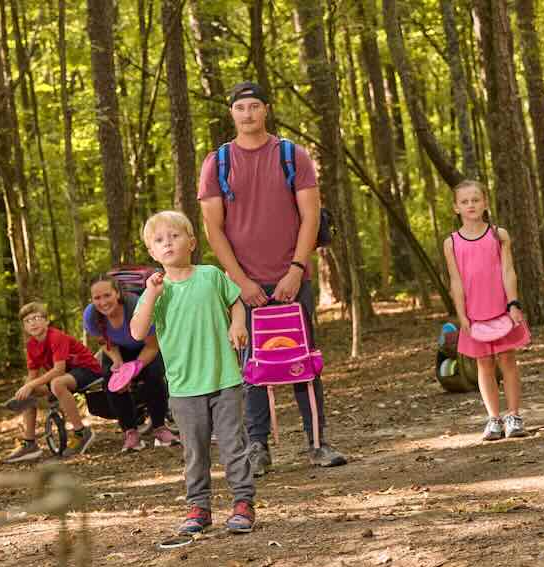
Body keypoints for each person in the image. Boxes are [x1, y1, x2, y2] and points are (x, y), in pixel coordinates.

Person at [198, 80, 347, 474]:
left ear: (266, 109)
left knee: (303, 362)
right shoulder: (217, 163)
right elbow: (214, 229)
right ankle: (258, 449)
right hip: (244, 285)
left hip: (292, 279)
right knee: (252, 368)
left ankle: (317, 443)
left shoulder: (291, 155)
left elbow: (311, 215)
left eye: (254, 107)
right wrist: (240, 283)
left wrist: (296, 269)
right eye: (240, 108)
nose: (247, 115)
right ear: (231, 113)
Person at [130, 211, 256, 534]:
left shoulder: (210, 275)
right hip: (185, 387)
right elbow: (137, 331)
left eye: (174, 236)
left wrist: (238, 323)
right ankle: (198, 506)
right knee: (195, 449)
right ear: (152, 253)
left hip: (224, 378)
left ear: (192, 242)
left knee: (232, 444)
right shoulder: (157, 290)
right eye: (159, 240)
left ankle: (243, 502)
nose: (167, 243)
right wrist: (150, 295)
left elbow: (236, 301)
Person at [442, 180, 531, 441]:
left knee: (507, 360)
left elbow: (507, 270)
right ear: (456, 208)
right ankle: (493, 418)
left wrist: (513, 304)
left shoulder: (498, 235)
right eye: (465, 201)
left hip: (500, 309)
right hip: (474, 313)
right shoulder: (452, 243)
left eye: (475, 200)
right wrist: (461, 314)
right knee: (484, 364)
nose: (471, 205)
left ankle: (513, 416)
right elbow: (455, 281)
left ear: (485, 203)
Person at [83, 275, 179, 452]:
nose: (103, 302)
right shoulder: (91, 315)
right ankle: (130, 432)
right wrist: (118, 362)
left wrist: (132, 371)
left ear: (117, 293)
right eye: (97, 298)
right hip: (118, 349)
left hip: (145, 346)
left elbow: (152, 346)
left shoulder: (137, 307)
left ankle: (160, 428)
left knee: (153, 374)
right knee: (111, 379)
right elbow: (104, 342)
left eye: (107, 295)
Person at [2, 302, 101, 463]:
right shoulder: (31, 346)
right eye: (27, 321)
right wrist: (25, 390)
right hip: (65, 376)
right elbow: (32, 376)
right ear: (24, 327)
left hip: (87, 370)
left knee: (56, 383)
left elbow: (59, 370)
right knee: (30, 392)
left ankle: (81, 433)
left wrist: (30, 385)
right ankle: (30, 444)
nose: (32, 323)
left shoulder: (56, 337)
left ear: (46, 321)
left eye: (36, 318)